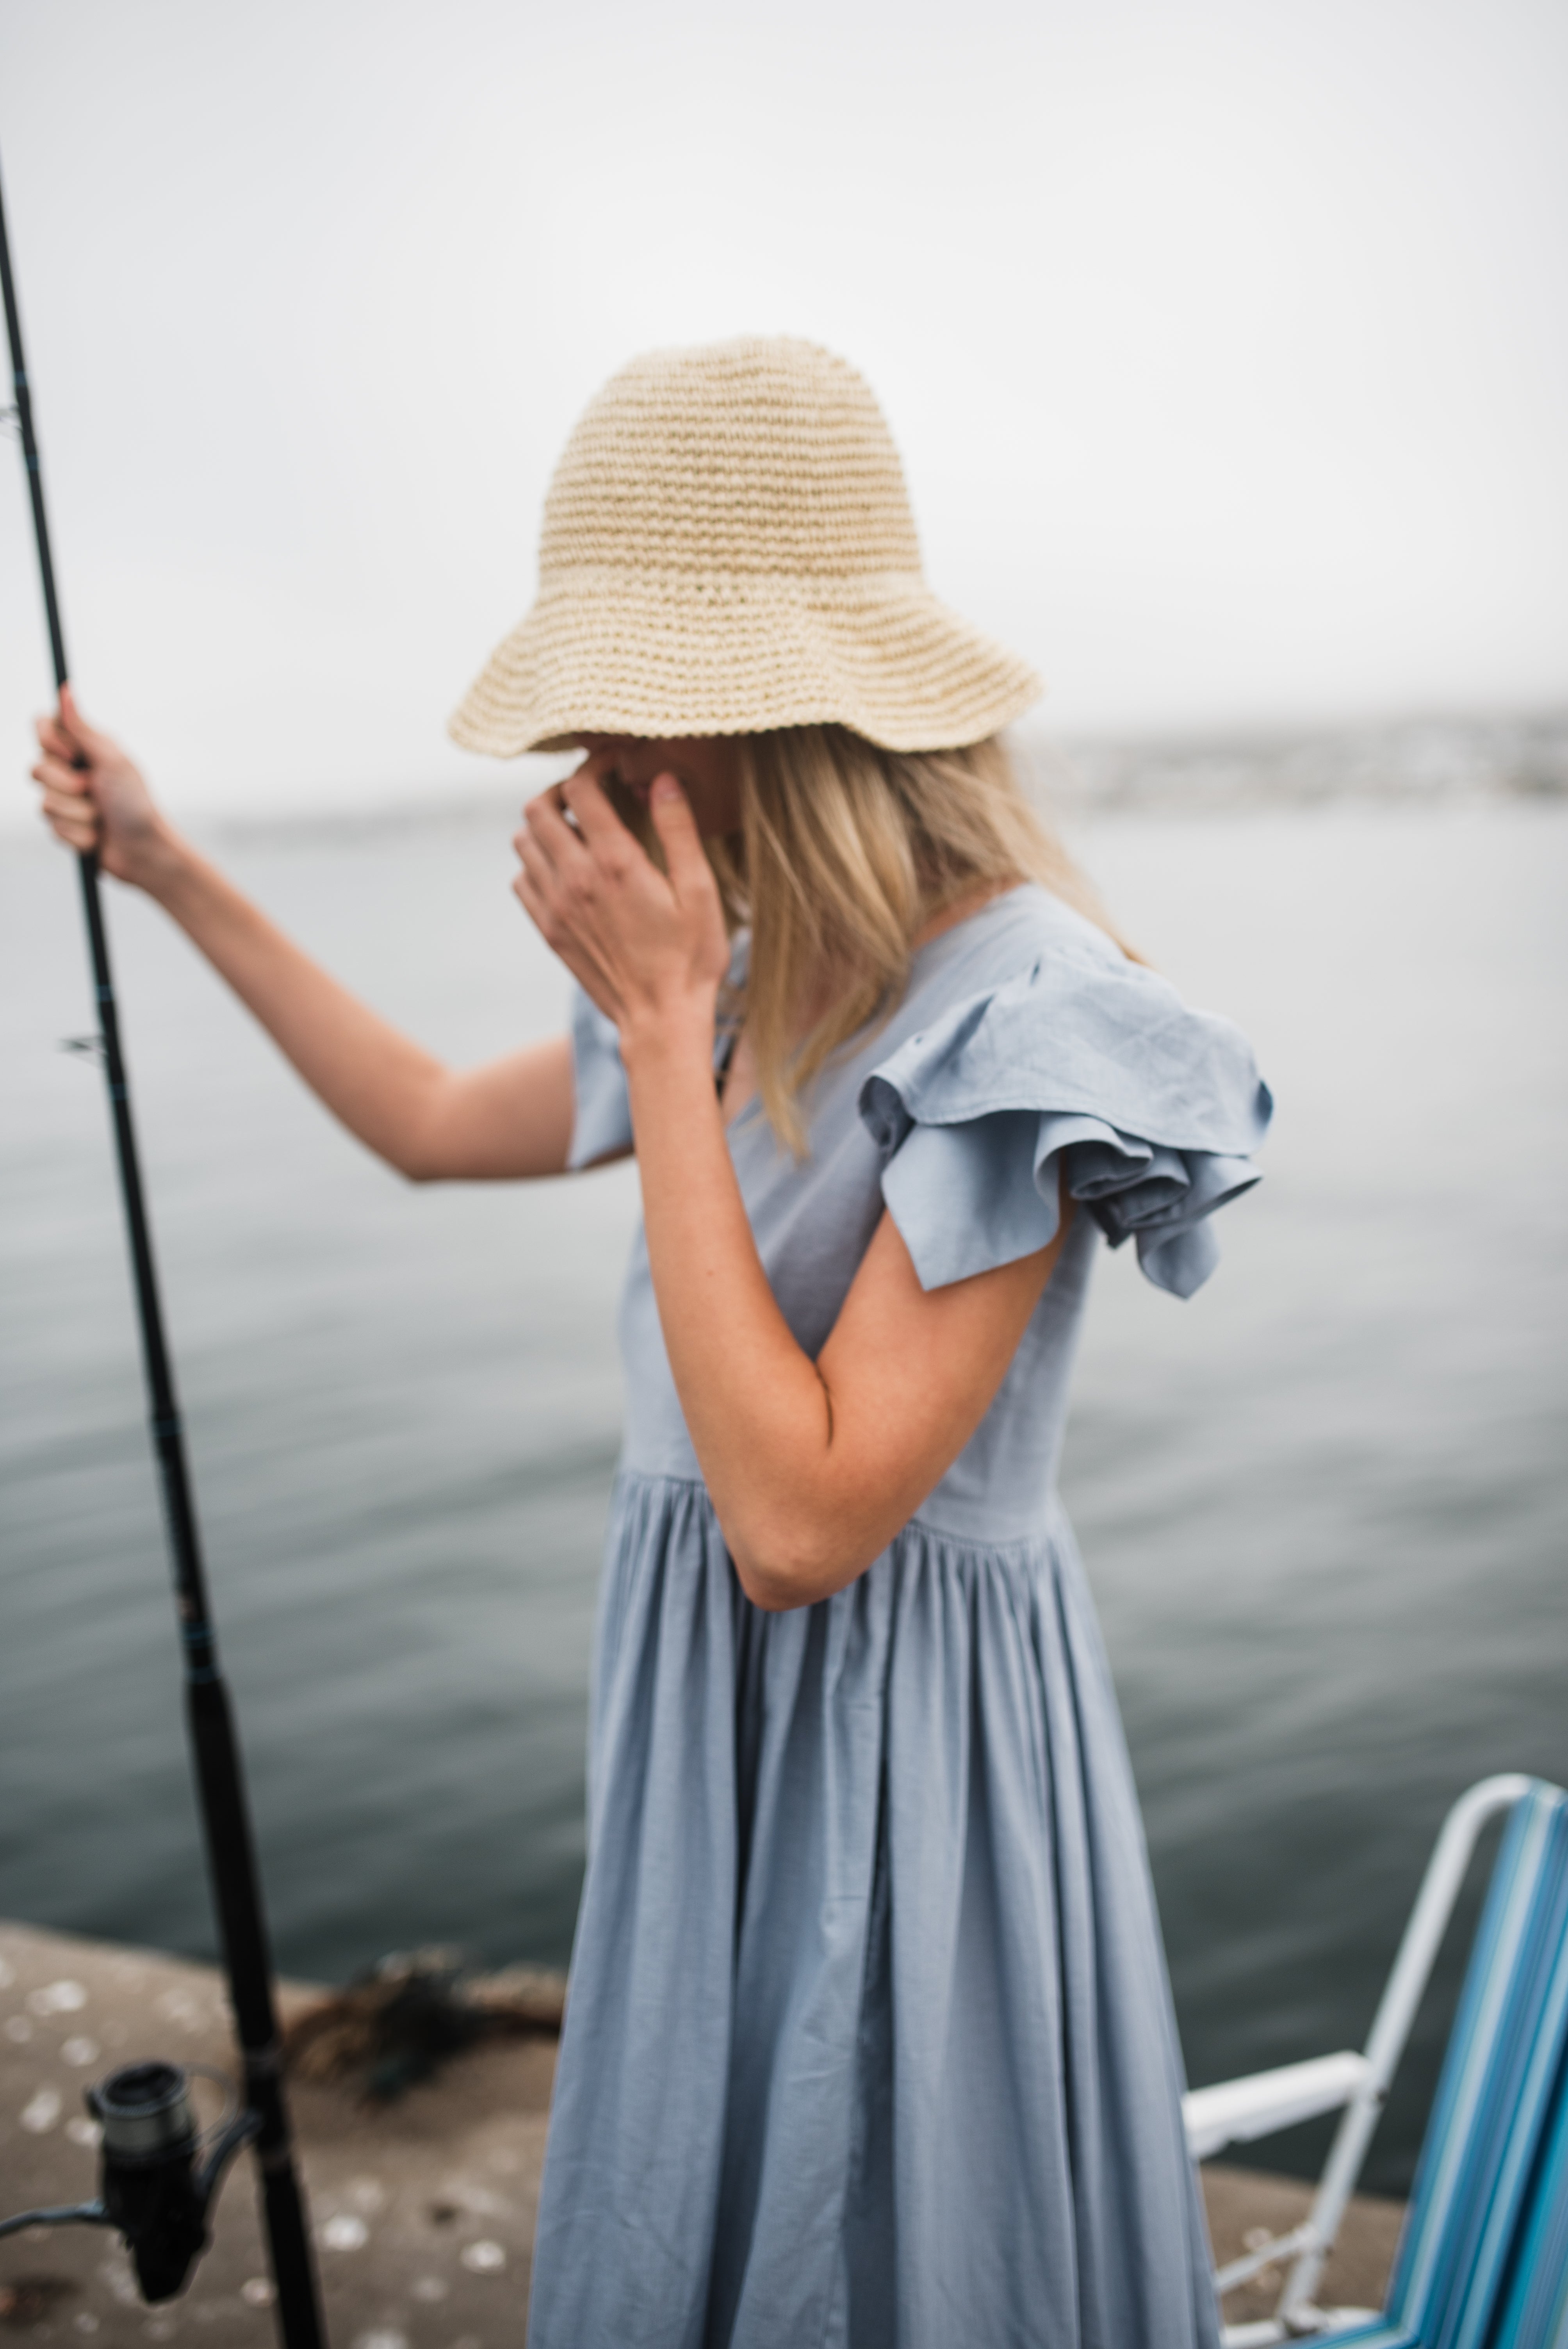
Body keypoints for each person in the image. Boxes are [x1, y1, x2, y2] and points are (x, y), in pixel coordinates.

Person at [32, 337, 1271, 2347]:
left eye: (621, 717)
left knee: (894, 2240)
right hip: (713, 1740)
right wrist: (169, 868)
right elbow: (432, 1123)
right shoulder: (752, 973)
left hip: (900, 1762)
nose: (584, 765)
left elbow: (799, 1523)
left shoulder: (1027, 1017)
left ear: (769, 717)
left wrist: (661, 1036)